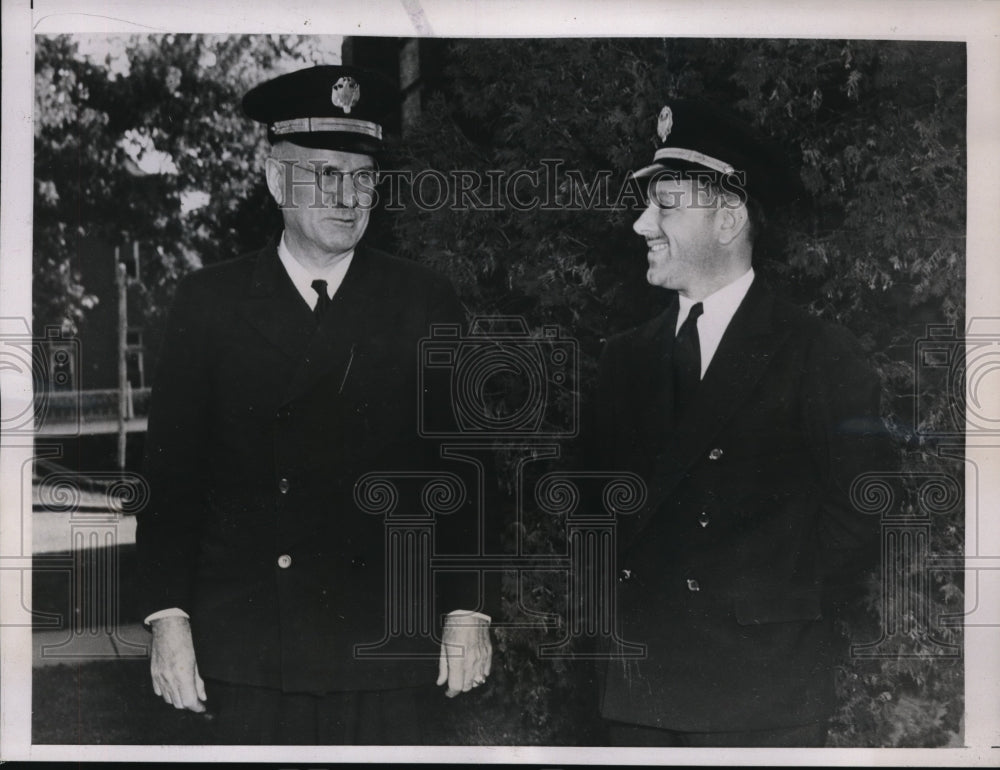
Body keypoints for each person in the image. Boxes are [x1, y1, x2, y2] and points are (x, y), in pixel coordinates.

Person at [136, 64, 491, 745]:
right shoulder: (208, 304)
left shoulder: (422, 301)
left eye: (363, 178)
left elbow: (464, 469)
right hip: (248, 645)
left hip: (386, 642)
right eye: (325, 174)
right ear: (275, 179)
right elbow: (171, 479)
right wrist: (169, 619)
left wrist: (469, 611)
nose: (348, 195)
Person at [588, 101, 897, 747]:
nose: (642, 223)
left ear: (728, 219)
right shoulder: (623, 358)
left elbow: (863, 510)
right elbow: (593, 508)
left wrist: (771, 605)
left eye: (665, 206)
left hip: (763, 693)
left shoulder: (820, 353)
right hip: (642, 689)